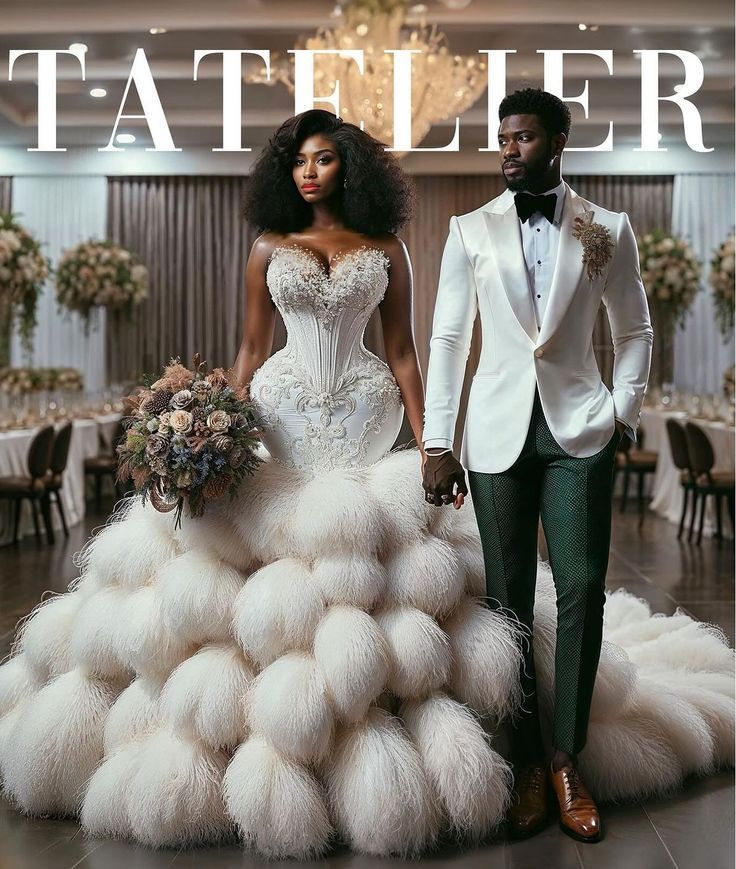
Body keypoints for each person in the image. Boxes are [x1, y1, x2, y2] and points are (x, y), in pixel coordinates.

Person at [0, 109, 732, 861]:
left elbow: (412, 353)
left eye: (323, 158)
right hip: (281, 416)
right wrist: (213, 424)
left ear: (349, 165)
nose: (309, 171)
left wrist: (430, 443)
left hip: (369, 414)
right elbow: (251, 348)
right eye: (297, 160)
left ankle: (536, 753)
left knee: (477, 580)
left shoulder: (389, 248)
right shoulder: (267, 248)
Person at [421, 87, 693, 842]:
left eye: (524, 138)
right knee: (507, 605)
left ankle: (567, 758)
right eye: (503, 138)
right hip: (497, 433)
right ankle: (528, 764)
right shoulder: (468, 230)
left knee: (580, 588)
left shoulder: (604, 227)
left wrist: (622, 412)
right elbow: (447, 341)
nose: (509, 149)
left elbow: (635, 329)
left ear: (559, 141)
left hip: (580, 429)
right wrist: (437, 440)